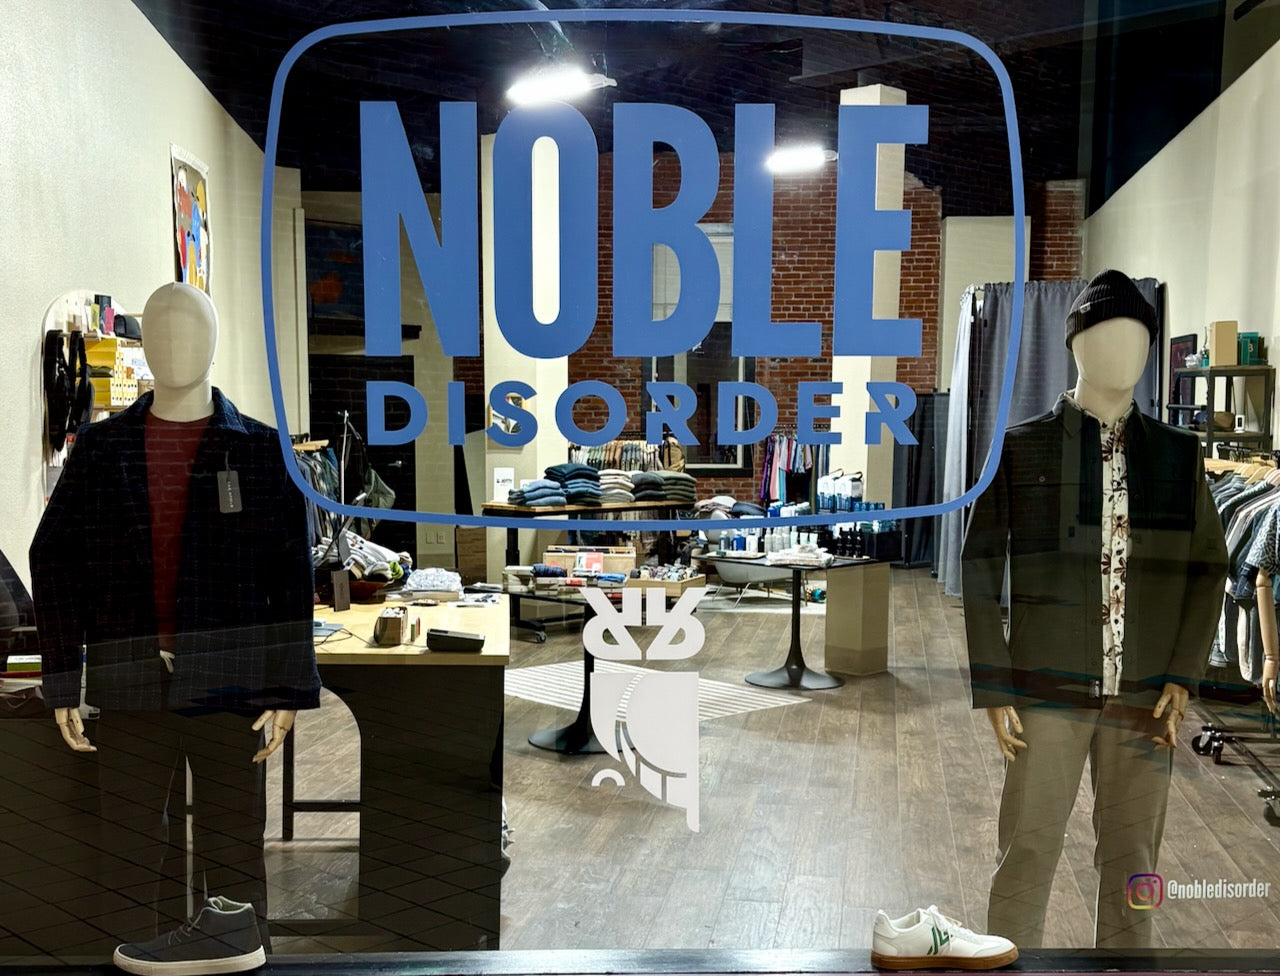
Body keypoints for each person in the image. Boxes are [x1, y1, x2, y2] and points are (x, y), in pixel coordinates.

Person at [30, 282, 320, 972]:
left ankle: (238, 952)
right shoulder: (100, 450)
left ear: (213, 344)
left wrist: (288, 685)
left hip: (230, 682)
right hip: (130, 678)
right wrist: (63, 675)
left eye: (189, 330)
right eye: (158, 331)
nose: (173, 345)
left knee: (233, 844)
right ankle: (132, 959)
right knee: (128, 849)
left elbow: (290, 578)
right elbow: (53, 558)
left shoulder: (263, 453)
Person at [961, 270, 1228, 948]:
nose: (1125, 352)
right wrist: (996, 682)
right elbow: (980, 564)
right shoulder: (1021, 447)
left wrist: (1182, 673)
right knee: (1028, 847)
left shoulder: (1177, 455)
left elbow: (1208, 568)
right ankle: (1010, 962)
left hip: (1145, 694)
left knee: (1137, 860)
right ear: (1076, 344)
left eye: (1139, 339)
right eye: (1108, 335)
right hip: (1045, 685)